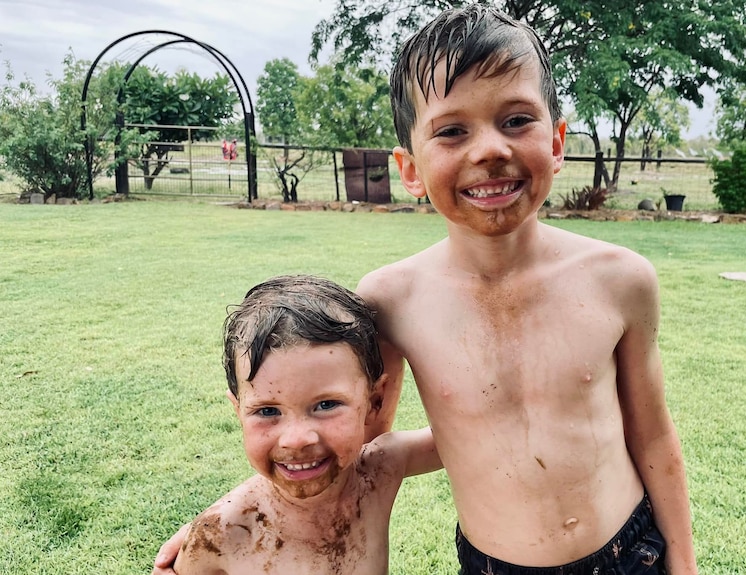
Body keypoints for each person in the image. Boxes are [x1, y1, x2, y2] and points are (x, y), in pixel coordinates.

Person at [155, 4, 697, 574]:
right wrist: (229, 513)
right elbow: (352, 446)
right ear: (409, 168)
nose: (489, 149)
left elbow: (654, 438)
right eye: (452, 131)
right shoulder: (392, 299)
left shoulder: (621, 280)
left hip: (627, 554)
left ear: (557, 141)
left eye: (516, 120)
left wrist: (683, 568)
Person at [168, 274, 440, 574]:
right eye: (268, 411)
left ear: (375, 401)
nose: (296, 439)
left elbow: (471, 438)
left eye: (326, 405)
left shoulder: (380, 471)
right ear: (238, 411)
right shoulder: (222, 533)